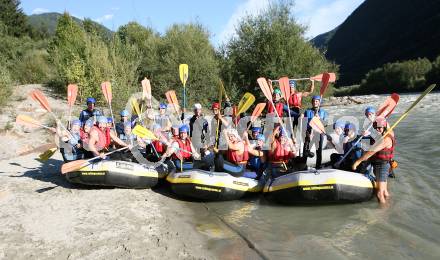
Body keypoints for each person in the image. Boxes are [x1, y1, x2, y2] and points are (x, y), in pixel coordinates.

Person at [352, 117, 395, 204]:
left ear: (384, 127)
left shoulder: (386, 139)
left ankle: (382, 213)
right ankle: (390, 207)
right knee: (384, 191)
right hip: (381, 165)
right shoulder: (389, 133)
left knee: (379, 194)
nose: (378, 130)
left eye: (380, 127)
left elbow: (371, 152)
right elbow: (386, 124)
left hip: (382, 166)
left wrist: (358, 161)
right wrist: (380, 118)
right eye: (376, 128)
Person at [303, 95, 328, 168]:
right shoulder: (307, 111)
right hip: (309, 133)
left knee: (318, 151)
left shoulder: (323, 113)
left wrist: (319, 118)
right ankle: (303, 165)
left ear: (319, 102)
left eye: (316, 101)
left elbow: (325, 124)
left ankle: (318, 166)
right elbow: (304, 124)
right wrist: (308, 134)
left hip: (319, 133)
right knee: (306, 151)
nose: (315, 102)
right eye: (313, 101)